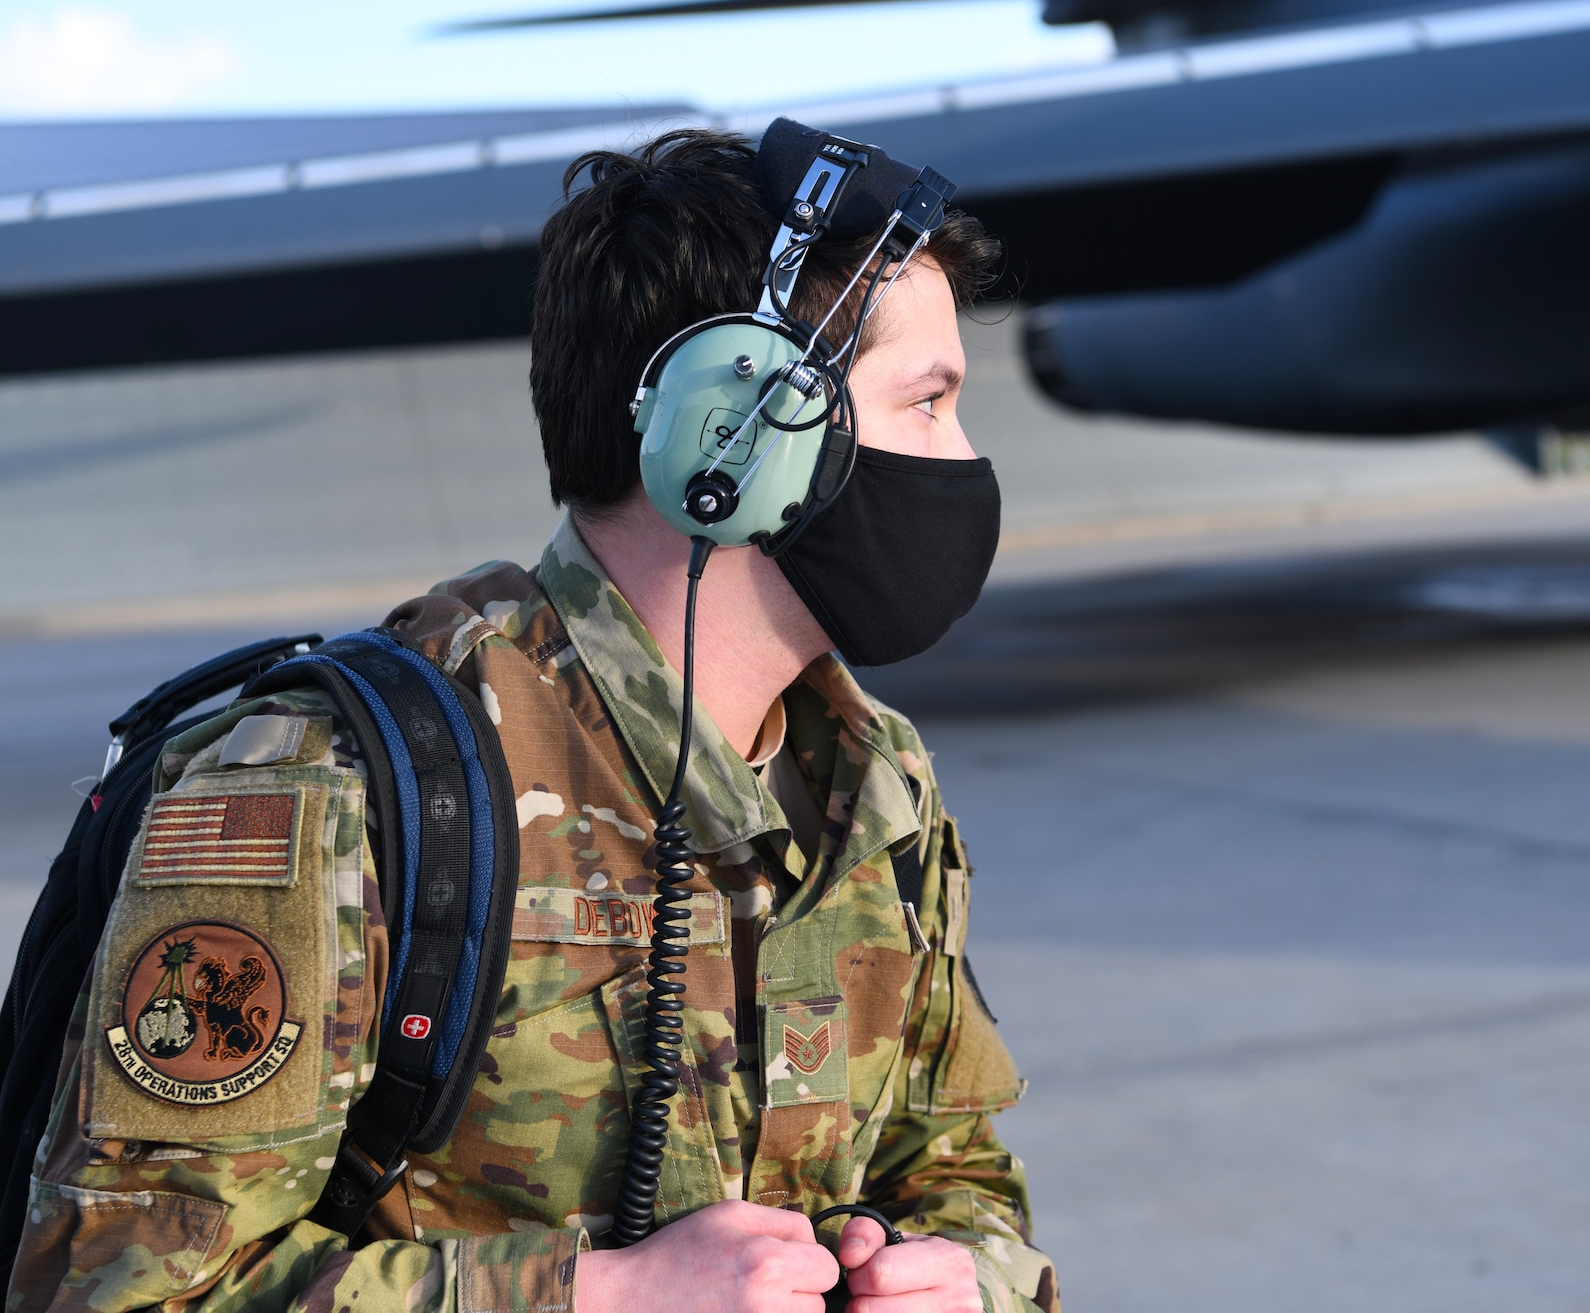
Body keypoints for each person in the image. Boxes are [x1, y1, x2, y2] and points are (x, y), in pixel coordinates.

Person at [6, 127, 1057, 1313]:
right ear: (737, 432)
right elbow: (111, 1291)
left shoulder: (869, 780)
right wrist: (600, 1297)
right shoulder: (336, 789)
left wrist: (967, 1279)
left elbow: (956, 1170)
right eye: (927, 402)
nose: (962, 458)